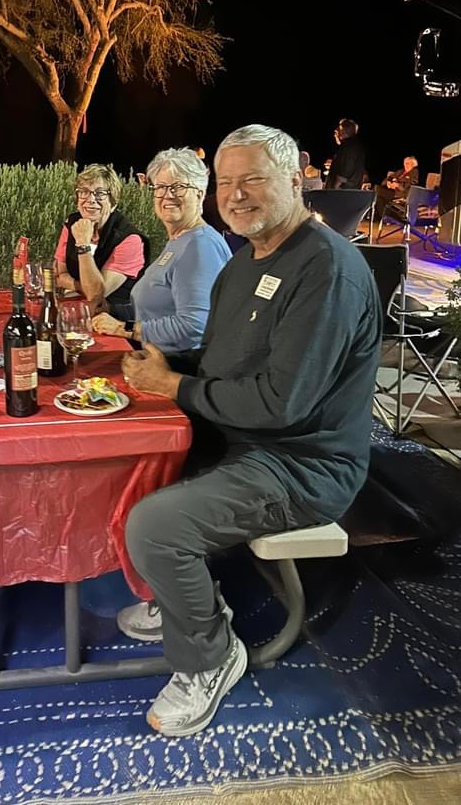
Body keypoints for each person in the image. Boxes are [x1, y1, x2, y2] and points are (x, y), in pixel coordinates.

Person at [117, 124, 381, 738]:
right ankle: (181, 597)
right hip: (243, 435)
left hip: (303, 464)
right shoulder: (243, 264)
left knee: (155, 527)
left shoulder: (328, 269)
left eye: (253, 180)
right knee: (128, 458)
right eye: (226, 183)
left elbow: (281, 403)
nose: (235, 195)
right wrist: (164, 369)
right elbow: (220, 364)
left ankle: (210, 656)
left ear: (295, 181)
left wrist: (174, 387)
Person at [92, 148, 230, 353]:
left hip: (177, 367)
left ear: (199, 194)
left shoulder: (201, 246)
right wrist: (112, 310)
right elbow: (157, 309)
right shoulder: (179, 241)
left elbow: (194, 327)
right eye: (161, 187)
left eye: (178, 187)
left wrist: (124, 328)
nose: (167, 195)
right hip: (154, 360)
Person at [54, 163, 147, 312]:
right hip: (79, 309)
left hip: (115, 318)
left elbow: (96, 295)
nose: (91, 199)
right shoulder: (72, 223)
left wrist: (83, 244)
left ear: (113, 202)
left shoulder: (130, 240)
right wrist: (82, 286)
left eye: (100, 193)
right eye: (84, 192)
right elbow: (60, 275)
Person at [373, 155, 419, 237]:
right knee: (378, 194)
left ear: (413, 164)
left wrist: (397, 185)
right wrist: (388, 183)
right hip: (392, 192)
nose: (405, 165)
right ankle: (384, 216)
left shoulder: (414, 172)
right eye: (404, 163)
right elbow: (389, 178)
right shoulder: (401, 171)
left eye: (408, 163)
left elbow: (410, 186)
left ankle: (385, 217)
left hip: (402, 194)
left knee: (377, 192)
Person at [324, 119, 366, 190]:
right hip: (346, 190)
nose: (335, 134)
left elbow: (346, 168)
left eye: (337, 131)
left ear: (343, 131)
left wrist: (335, 188)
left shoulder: (349, 146)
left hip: (343, 191)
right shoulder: (353, 145)